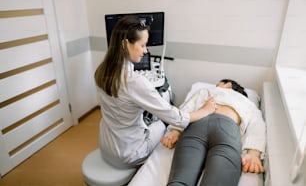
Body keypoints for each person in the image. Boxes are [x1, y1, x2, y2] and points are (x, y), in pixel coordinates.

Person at [94, 15, 215, 169]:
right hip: (129, 154)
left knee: (149, 117)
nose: (146, 51)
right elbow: (176, 118)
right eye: (143, 45)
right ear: (125, 44)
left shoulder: (101, 69)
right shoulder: (134, 81)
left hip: (107, 147)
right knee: (162, 122)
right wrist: (205, 110)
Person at [161, 79, 266, 186]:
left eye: (218, 84)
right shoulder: (249, 104)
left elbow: (187, 108)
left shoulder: (206, 91)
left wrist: (175, 131)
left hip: (196, 126)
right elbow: (257, 126)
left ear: (228, 85)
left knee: (180, 180)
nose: (215, 86)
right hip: (227, 130)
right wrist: (253, 154)